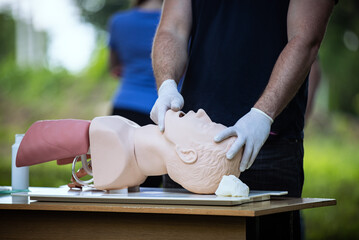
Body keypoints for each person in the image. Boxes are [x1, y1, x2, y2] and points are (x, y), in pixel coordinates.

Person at [150, 0, 336, 239]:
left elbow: (305, 37)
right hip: (188, 148)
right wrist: (167, 84)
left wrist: (263, 114)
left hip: (268, 147)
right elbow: (172, 28)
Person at [16, 109, 242, 194]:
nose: (202, 113)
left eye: (205, 125)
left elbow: (30, 145)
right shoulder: (132, 171)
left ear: (186, 153)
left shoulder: (111, 133)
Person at [107, 0, 163, 187]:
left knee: (117, 182)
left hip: (125, 108)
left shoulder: (119, 21)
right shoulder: (176, 20)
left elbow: (113, 67)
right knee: (152, 188)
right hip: (161, 112)